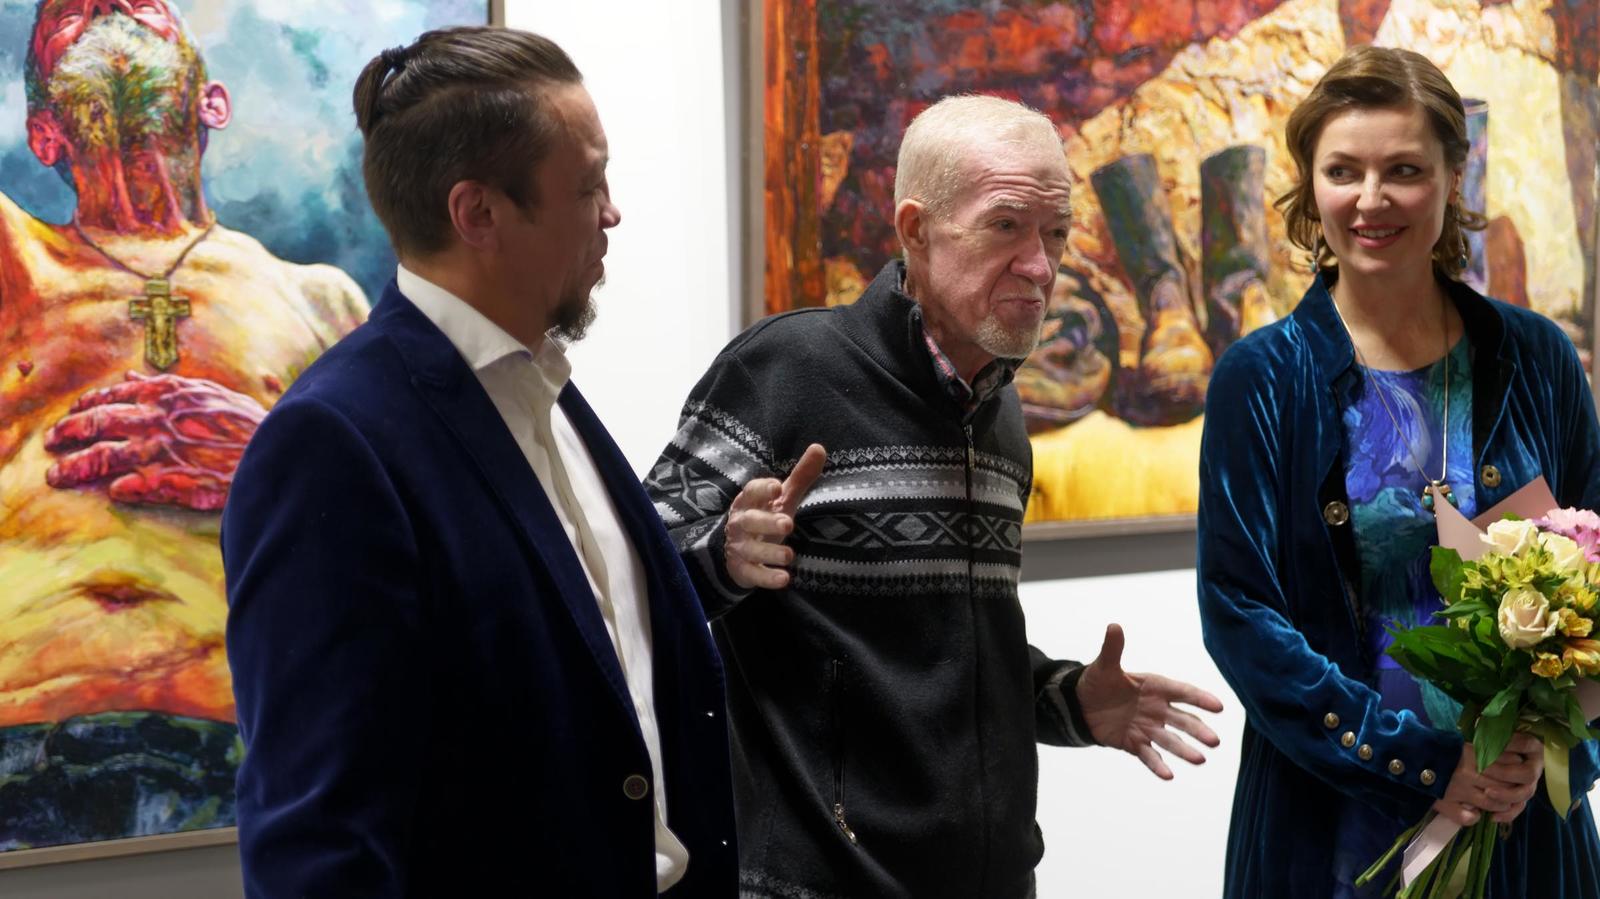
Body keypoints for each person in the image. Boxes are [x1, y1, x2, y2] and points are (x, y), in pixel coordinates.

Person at [646, 94, 1224, 899]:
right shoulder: (783, 371)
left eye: (1056, 232)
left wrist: (1070, 702)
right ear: (916, 230)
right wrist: (721, 557)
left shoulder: (1001, 409)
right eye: (1006, 226)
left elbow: (949, 661)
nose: (1040, 266)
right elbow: (629, 585)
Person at [222, 27, 736, 898]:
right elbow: (318, 840)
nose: (611, 213)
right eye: (588, 186)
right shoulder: (333, 445)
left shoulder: (546, 394)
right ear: (479, 214)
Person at [1197, 45, 1600, 898]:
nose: (1371, 199)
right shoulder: (1260, 377)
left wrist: (1557, 752)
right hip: (1332, 830)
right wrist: (1423, 764)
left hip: (1520, 820)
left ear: (1454, 176)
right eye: (1343, 170)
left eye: (1404, 170)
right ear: (1310, 185)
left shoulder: (1536, 358)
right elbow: (1240, 615)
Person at [0, 0, 365, 848]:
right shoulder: (14, 264)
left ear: (213, 103)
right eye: (68, 12)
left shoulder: (321, 301)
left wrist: (278, 463)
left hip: (262, 752)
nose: (102, 3)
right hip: (20, 742)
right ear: (45, 135)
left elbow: (412, 537)